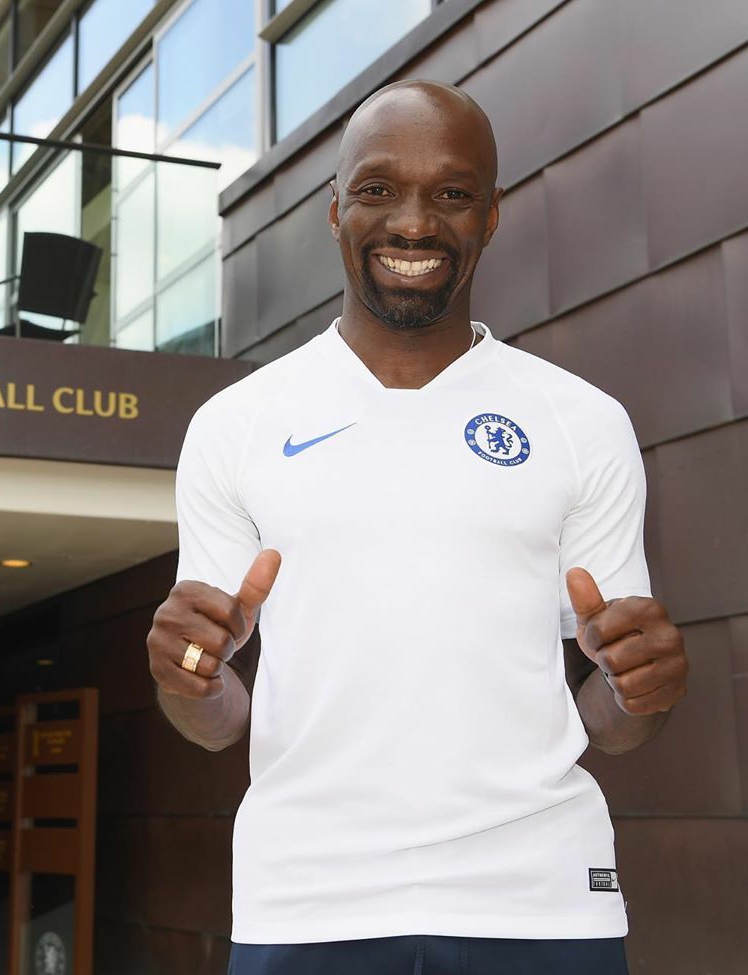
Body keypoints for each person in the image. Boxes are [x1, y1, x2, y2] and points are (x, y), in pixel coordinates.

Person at [145, 79, 689, 975]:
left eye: (452, 193)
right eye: (378, 188)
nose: (412, 222)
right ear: (335, 209)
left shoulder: (580, 422)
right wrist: (189, 676)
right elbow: (216, 720)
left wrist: (642, 691)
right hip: (307, 899)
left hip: (542, 899)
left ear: (491, 215)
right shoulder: (237, 425)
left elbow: (610, 721)